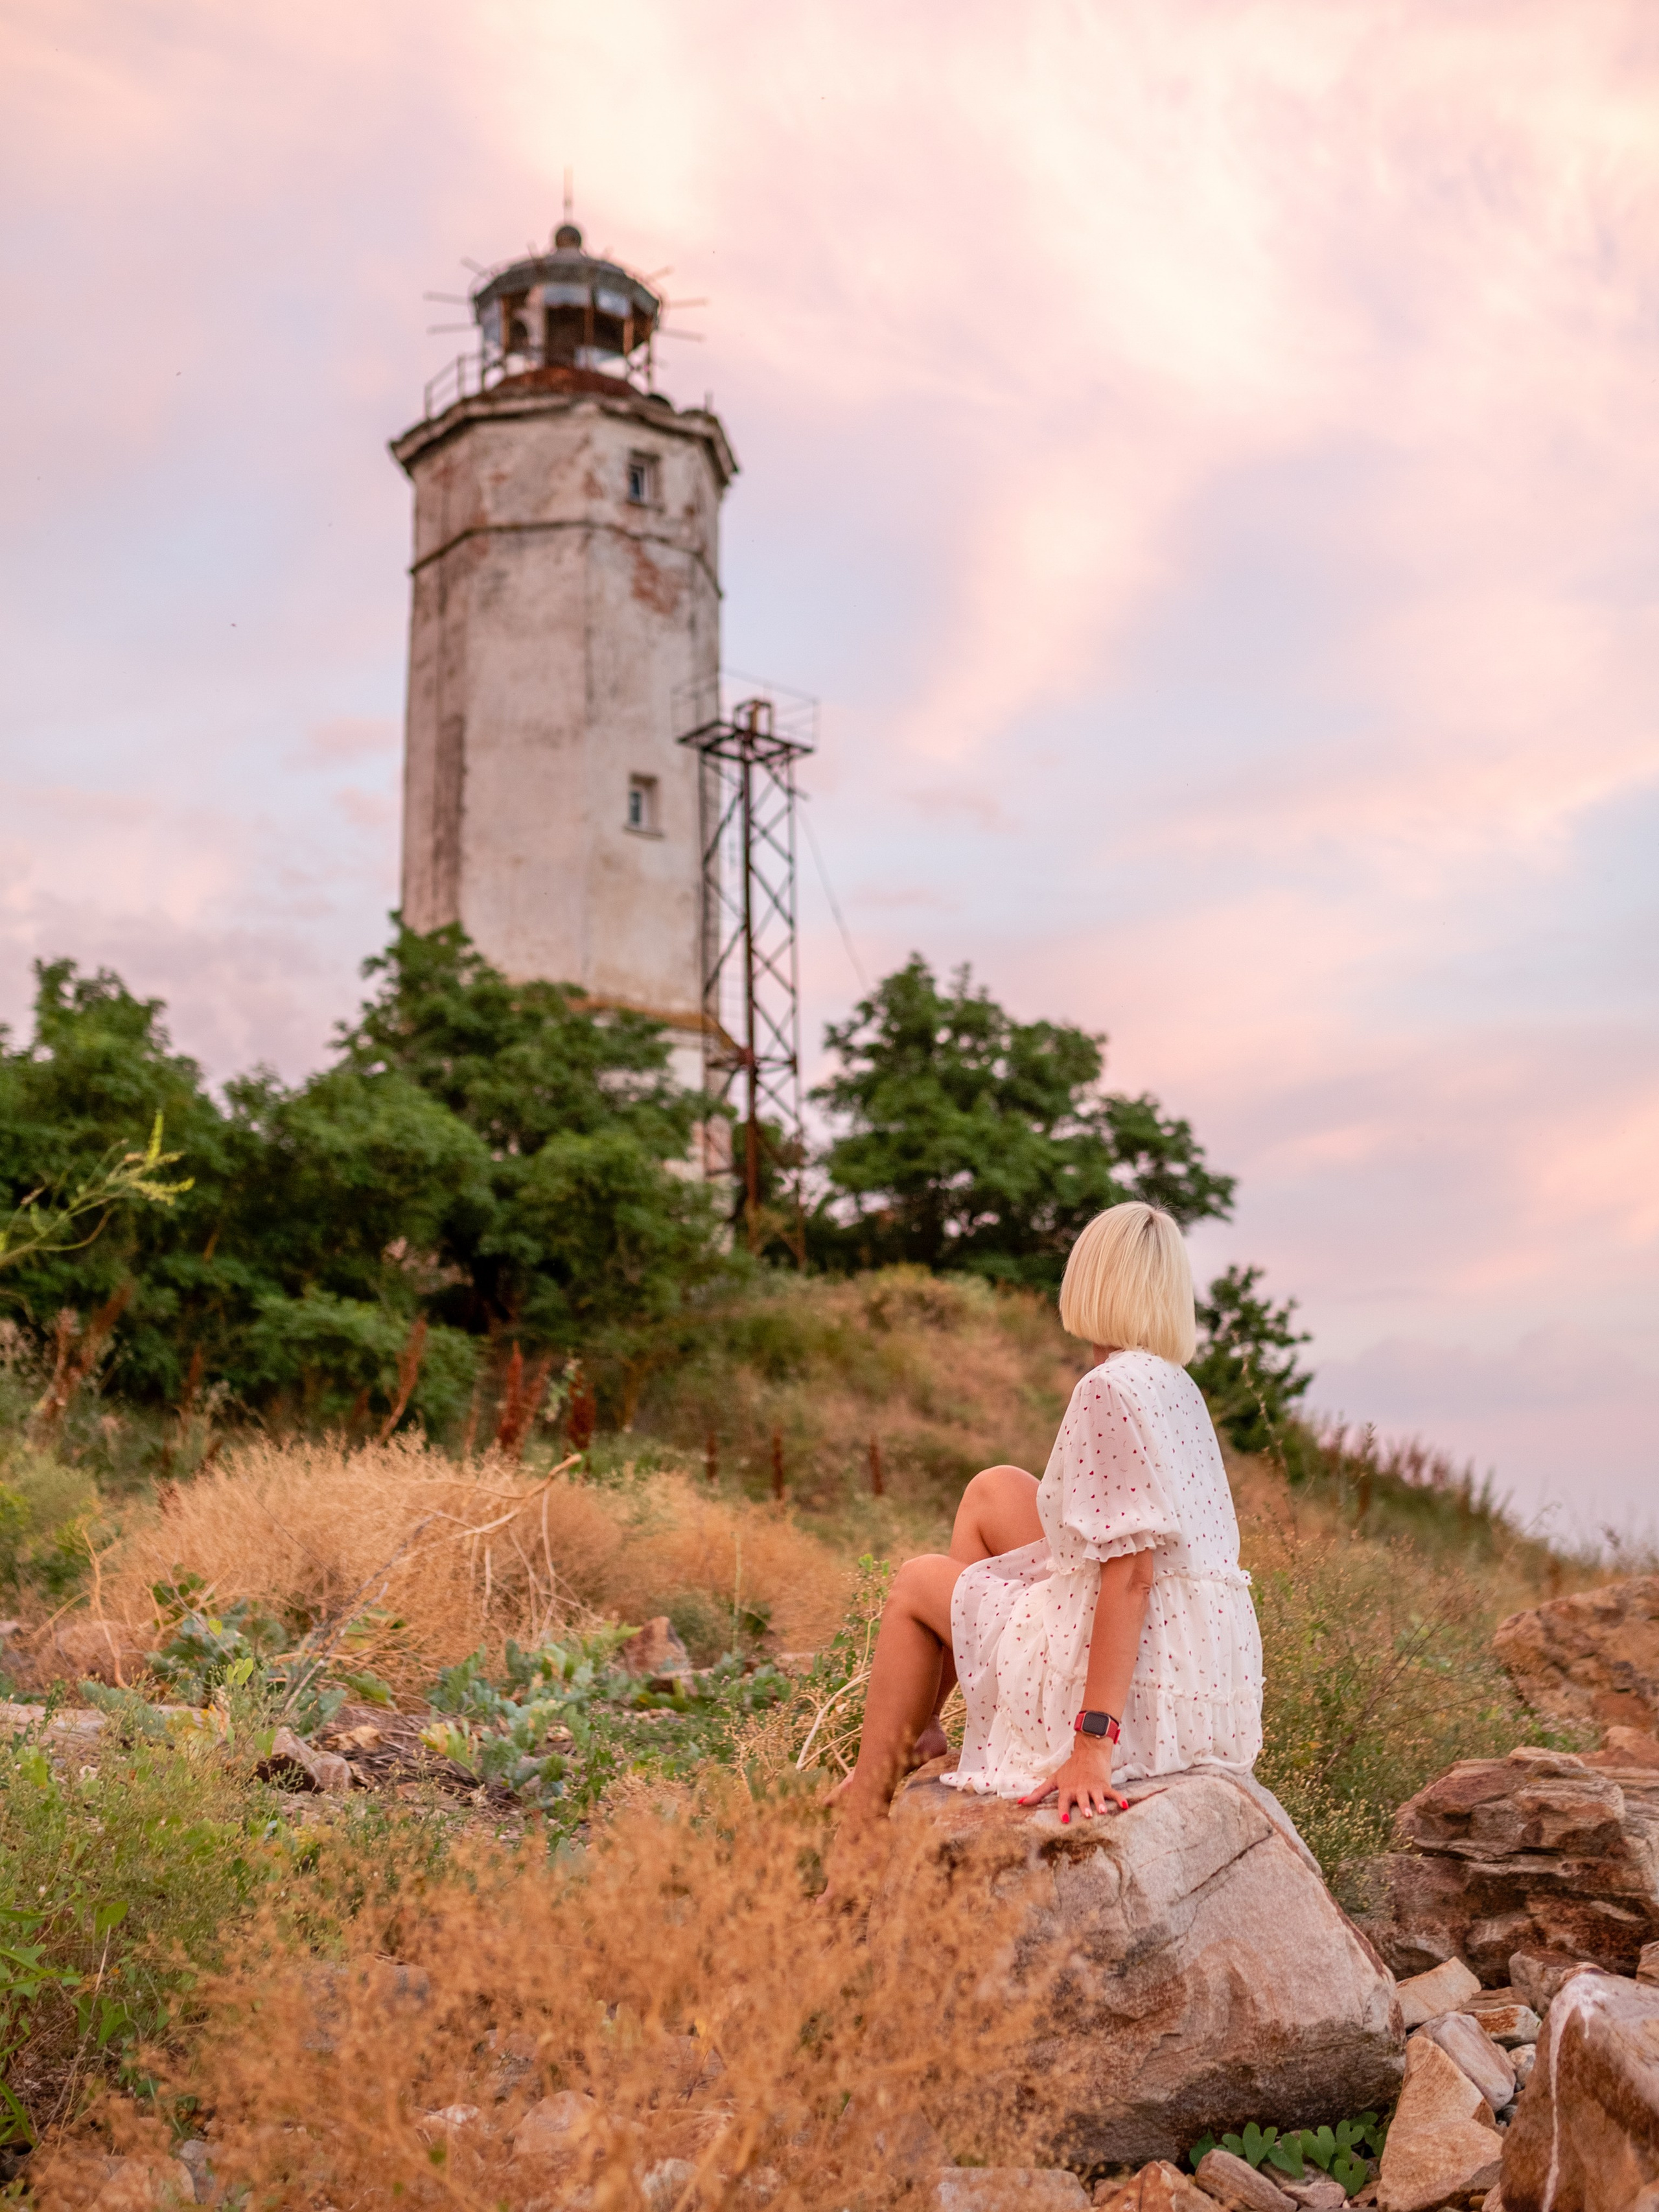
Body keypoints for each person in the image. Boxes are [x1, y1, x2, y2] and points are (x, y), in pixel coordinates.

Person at [826, 1202, 1262, 1885]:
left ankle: (854, 1837)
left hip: (1133, 1687)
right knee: (993, 1490)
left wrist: (1092, 1742)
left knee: (916, 1580)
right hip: (1190, 1674)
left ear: (1088, 1278)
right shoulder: (1172, 1383)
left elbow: (1131, 1575)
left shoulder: (1108, 1389)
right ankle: (921, 1729)